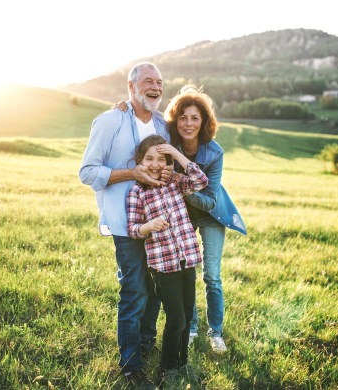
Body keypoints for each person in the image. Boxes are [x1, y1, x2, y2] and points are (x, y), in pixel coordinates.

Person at [114, 85, 247, 354]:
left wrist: (179, 181)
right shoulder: (167, 143)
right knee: (187, 274)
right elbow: (145, 119)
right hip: (180, 218)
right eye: (183, 117)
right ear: (176, 120)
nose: (188, 123)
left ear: (204, 121)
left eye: (195, 117)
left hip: (209, 213)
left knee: (211, 276)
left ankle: (216, 332)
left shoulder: (214, 152)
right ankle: (191, 328)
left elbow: (208, 197)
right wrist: (124, 107)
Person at [79, 62, 171, 389]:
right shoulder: (110, 121)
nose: (155, 86)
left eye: (160, 82)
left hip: (159, 223)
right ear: (131, 87)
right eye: (148, 81)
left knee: (156, 288)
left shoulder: (163, 123)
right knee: (134, 290)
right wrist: (131, 173)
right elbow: (88, 172)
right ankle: (131, 365)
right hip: (124, 222)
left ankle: (146, 342)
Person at [127, 135, 207, 383]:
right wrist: (148, 225)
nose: (155, 163)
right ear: (139, 161)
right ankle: (167, 368)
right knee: (177, 319)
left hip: (187, 260)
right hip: (163, 266)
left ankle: (183, 363)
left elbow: (200, 180)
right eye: (149, 158)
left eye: (161, 159)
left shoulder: (173, 182)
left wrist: (176, 153)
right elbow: (132, 228)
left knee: (186, 315)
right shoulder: (137, 192)